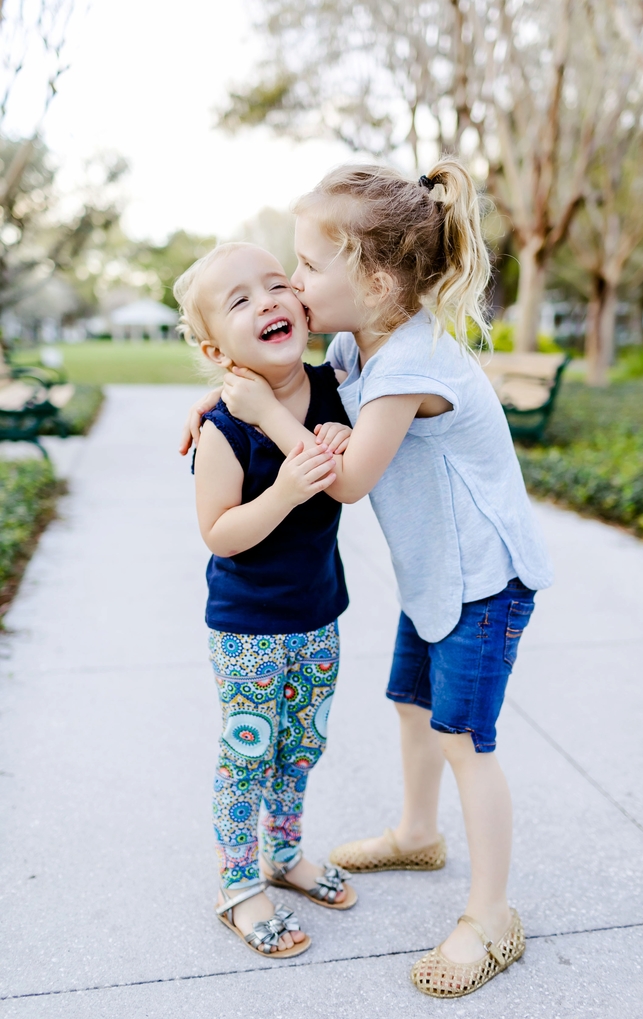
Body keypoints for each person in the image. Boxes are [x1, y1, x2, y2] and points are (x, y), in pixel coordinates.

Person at [180, 159, 552, 996]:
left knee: (465, 739)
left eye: (307, 267)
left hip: (484, 582)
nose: (297, 286)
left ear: (376, 278)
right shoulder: (359, 343)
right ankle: (420, 831)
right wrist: (218, 402)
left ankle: (491, 916)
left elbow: (342, 480)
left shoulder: (407, 366)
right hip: (438, 576)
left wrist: (260, 413)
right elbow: (299, 392)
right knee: (411, 702)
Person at [175, 241, 357, 959]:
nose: (268, 302)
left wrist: (340, 431)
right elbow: (219, 534)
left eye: (276, 285)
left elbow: (350, 452)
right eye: (240, 299)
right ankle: (239, 883)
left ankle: (285, 852)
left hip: (319, 612)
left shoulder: (334, 384)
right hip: (249, 628)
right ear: (216, 347)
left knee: (301, 746)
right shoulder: (223, 429)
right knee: (247, 754)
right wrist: (284, 489)